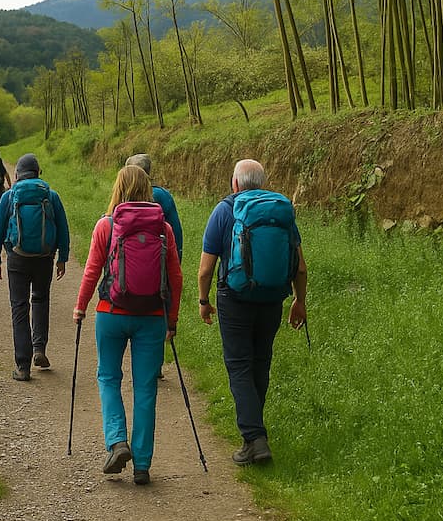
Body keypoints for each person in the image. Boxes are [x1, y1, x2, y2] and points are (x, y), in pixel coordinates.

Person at [74, 165, 182, 485]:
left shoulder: (106, 226)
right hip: (152, 316)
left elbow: (92, 271)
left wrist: (80, 307)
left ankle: (117, 441)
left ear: (118, 188)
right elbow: (175, 278)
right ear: (148, 189)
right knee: (145, 388)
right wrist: (171, 319)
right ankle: (143, 465)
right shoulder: (163, 228)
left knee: (108, 377)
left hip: (111, 312)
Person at [197, 159, 307, 465]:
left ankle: (254, 438)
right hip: (272, 298)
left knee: (239, 366)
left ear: (235, 183)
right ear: (262, 183)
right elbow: (300, 266)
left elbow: (205, 269)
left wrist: (204, 301)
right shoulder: (280, 211)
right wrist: (299, 301)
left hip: (234, 299)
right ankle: (255, 433)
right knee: (261, 362)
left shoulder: (225, 210)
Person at [0, 153, 70, 381]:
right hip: (44, 257)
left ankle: (22, 366)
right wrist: (62, 258)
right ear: (38, 172)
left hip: (17, 258)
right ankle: (39, 349)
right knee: (41, 300)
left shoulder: (9, 196)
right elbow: (63, 228)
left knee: (19, 307)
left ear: (17, 174)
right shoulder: (51, 196)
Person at [125, 153, 183, 380]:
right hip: (161, 262)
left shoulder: (125, 196)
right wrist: (176, 261)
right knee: (159, 311)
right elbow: (176, 232)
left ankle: (139, 359)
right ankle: (155, 363)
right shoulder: (162, 196)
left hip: (132, 265)